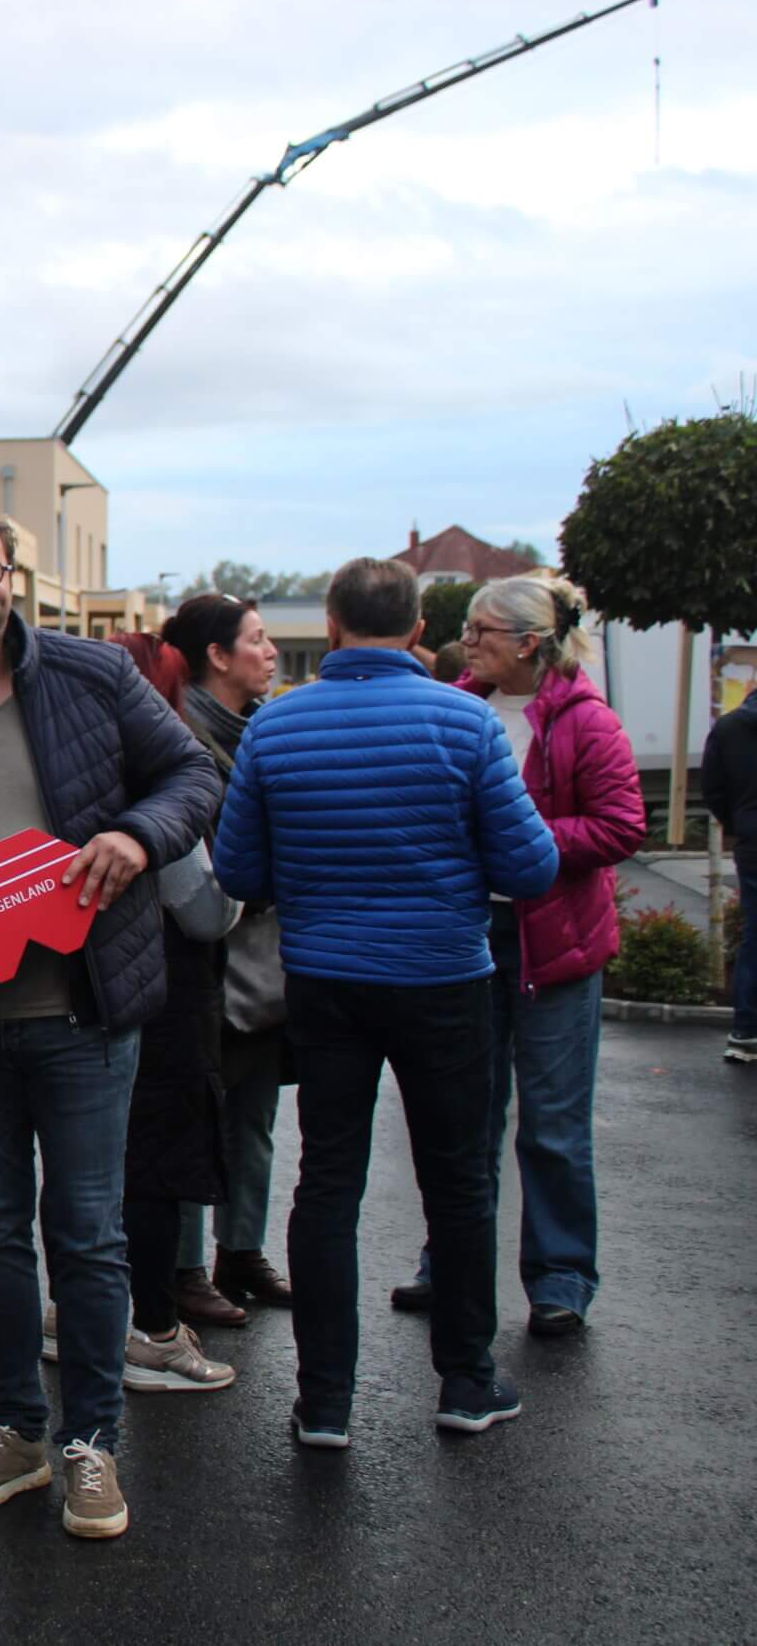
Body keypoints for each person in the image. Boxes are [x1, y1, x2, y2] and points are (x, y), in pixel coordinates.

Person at [0, 499, 221, 1541]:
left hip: (85, 1011)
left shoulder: (93, 677)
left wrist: (136, 837)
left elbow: (195, 775)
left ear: (10, 576)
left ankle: (91, 1443)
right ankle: (17, 1430)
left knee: (89, 1233)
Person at [213, 557, 558, 1449]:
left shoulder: (276, 728)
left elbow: (242, 873)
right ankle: (467, 1383)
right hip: (445, 979)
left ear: (329, 624)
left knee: (328, 1181)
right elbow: (529, 868)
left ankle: (324, 1402)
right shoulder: (468, 722)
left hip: (325, 982)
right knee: (459, 1179)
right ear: (416, 630)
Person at [388, 576, 645, 1335]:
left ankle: (561, 1277)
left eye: (480, 631)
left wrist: (523, 837)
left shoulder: (586, 722)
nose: (465, 643)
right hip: (469, 941)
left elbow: (622, 825)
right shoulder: (461, 707)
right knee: (464, 1116)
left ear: (528, 641)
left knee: (553, 1123)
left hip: (554, 946)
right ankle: (452, 1263)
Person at [100, 630, 241, 1394]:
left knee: (91, 1171)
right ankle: (153, 1330)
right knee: (150, 1174)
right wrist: (244, 876)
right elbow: (206, 910)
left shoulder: (76, 764)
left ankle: (78, 1315)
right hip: (162, 999)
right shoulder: (162, 774)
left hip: (88, 996)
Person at [161, 595, 296, 1320]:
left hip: (263, 964)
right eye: (257, 639)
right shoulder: (179, 734)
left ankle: (240, 1250)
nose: (270, 651)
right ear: (218, 655)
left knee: (254, 1114)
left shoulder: (262, 732)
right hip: (201, 958)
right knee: (195, 1112)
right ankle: (186, 1268)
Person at [706, 695, 757, 1065]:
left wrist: (739, 822)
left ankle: (744, 1032)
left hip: (753, 842)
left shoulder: (728, 728)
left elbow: (714, 789)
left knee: (755, 938)